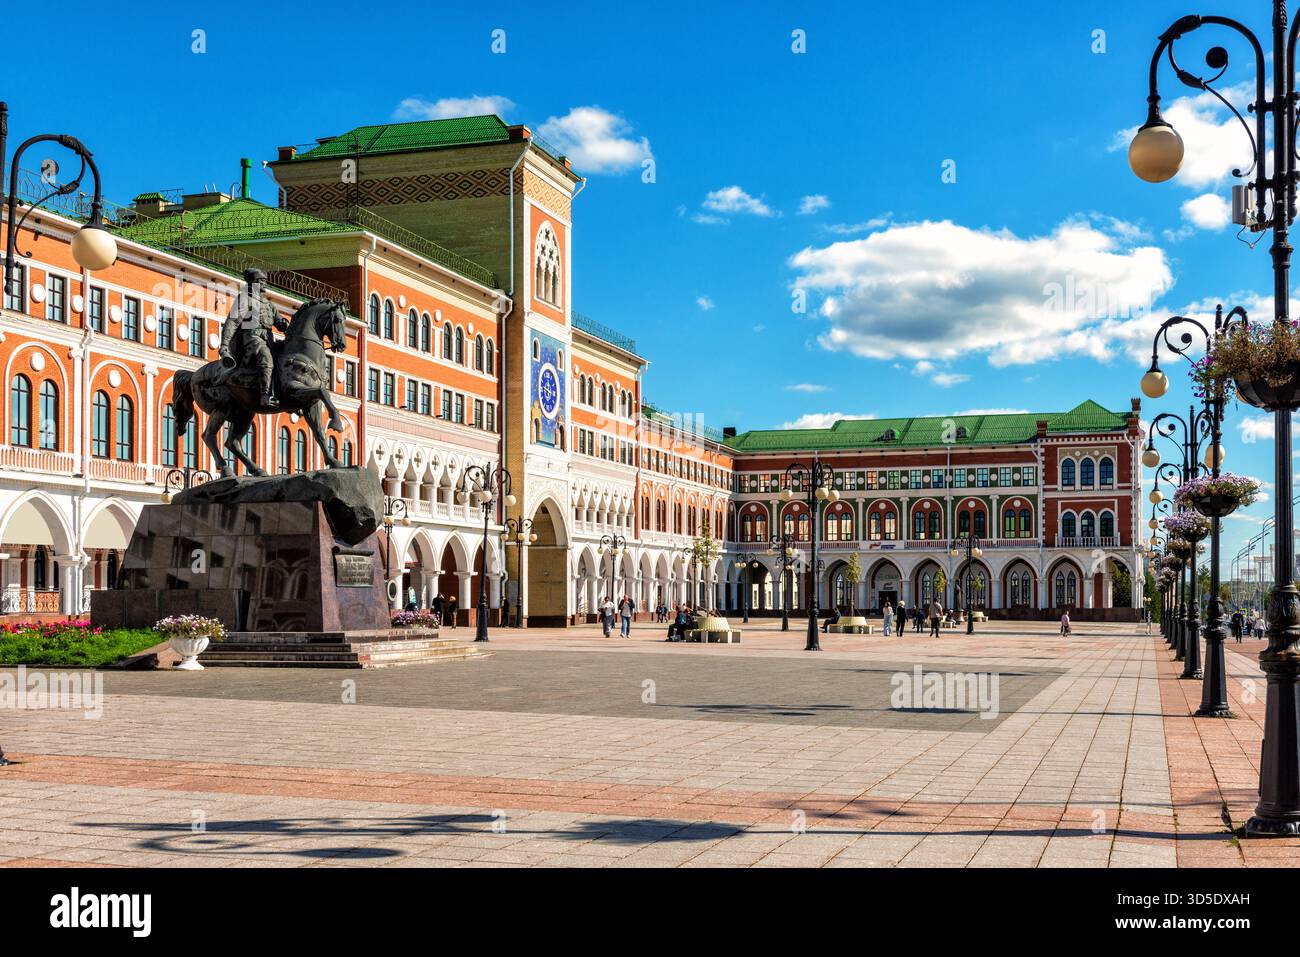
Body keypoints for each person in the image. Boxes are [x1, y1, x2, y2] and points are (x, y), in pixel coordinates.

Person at [219, 267, 288, 407]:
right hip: (252, 338)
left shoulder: (269, 304)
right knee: (266, 359)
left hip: (268, 339)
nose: (264, 284)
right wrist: (225, 345)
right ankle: (265, 395)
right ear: (253, 283)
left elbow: (280, 324)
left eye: (264, 281)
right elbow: (233, 322)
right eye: (261, 281)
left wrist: (285, 323)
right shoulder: (245, 299)